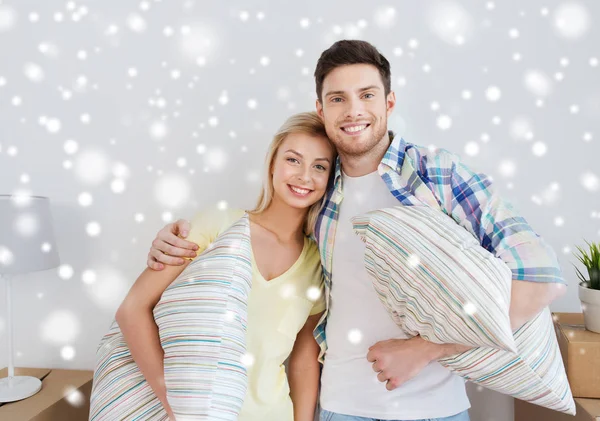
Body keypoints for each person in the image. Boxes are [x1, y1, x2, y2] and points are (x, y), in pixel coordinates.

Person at [148, 40, 566, 421]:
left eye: (366, 95)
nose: (353, 111)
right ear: (321, 109)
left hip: (434, 411)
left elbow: (541, 280)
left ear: (389, 102)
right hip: (338, 408)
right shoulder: (318, 191)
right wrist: (177, 241)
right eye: (338, 99)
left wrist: (428, 349)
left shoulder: (438, 174)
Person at [90, 112, 336, 421]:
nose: (304, 176)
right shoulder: (218, 225)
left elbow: (303, 359)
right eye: (293, 160)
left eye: (319, 166)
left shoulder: (318, 262)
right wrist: (173, 403)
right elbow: (133, 309)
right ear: (272, 163)